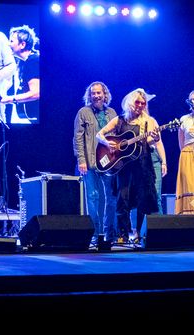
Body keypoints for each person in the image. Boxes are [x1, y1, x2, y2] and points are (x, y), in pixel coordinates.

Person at [96, 88, 162, 244]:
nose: (140, 105)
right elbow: (99, 135)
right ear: (131, 103)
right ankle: (123, 235)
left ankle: (140, 234)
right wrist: (107, 142)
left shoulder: (148, 121)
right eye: (137, 102)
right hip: (123, 167)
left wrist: (156, 138)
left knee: (143, 200)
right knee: (122, 200)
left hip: (142, 165)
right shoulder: (119, 120)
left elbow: (150, 143)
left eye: (143, 103)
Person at [74, 81, 118, 242]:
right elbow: (77, 139)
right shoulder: (83, 112)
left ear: (105, 94)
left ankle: (109, 234)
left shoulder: (112, 113)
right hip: (90, 162)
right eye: (93, 93)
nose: (96, 96)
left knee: (111, 198)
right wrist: (81, 160)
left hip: (109, 163)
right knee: (93, 197)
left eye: (99, 93)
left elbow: (117, 136)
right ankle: (94, 234)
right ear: (89, 95)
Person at [0, 25, 40, 124]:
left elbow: (36, 93)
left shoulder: (34, 61)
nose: (8, 44)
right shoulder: (23, 62)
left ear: (22, 44)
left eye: (11, 41)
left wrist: (9, 99)